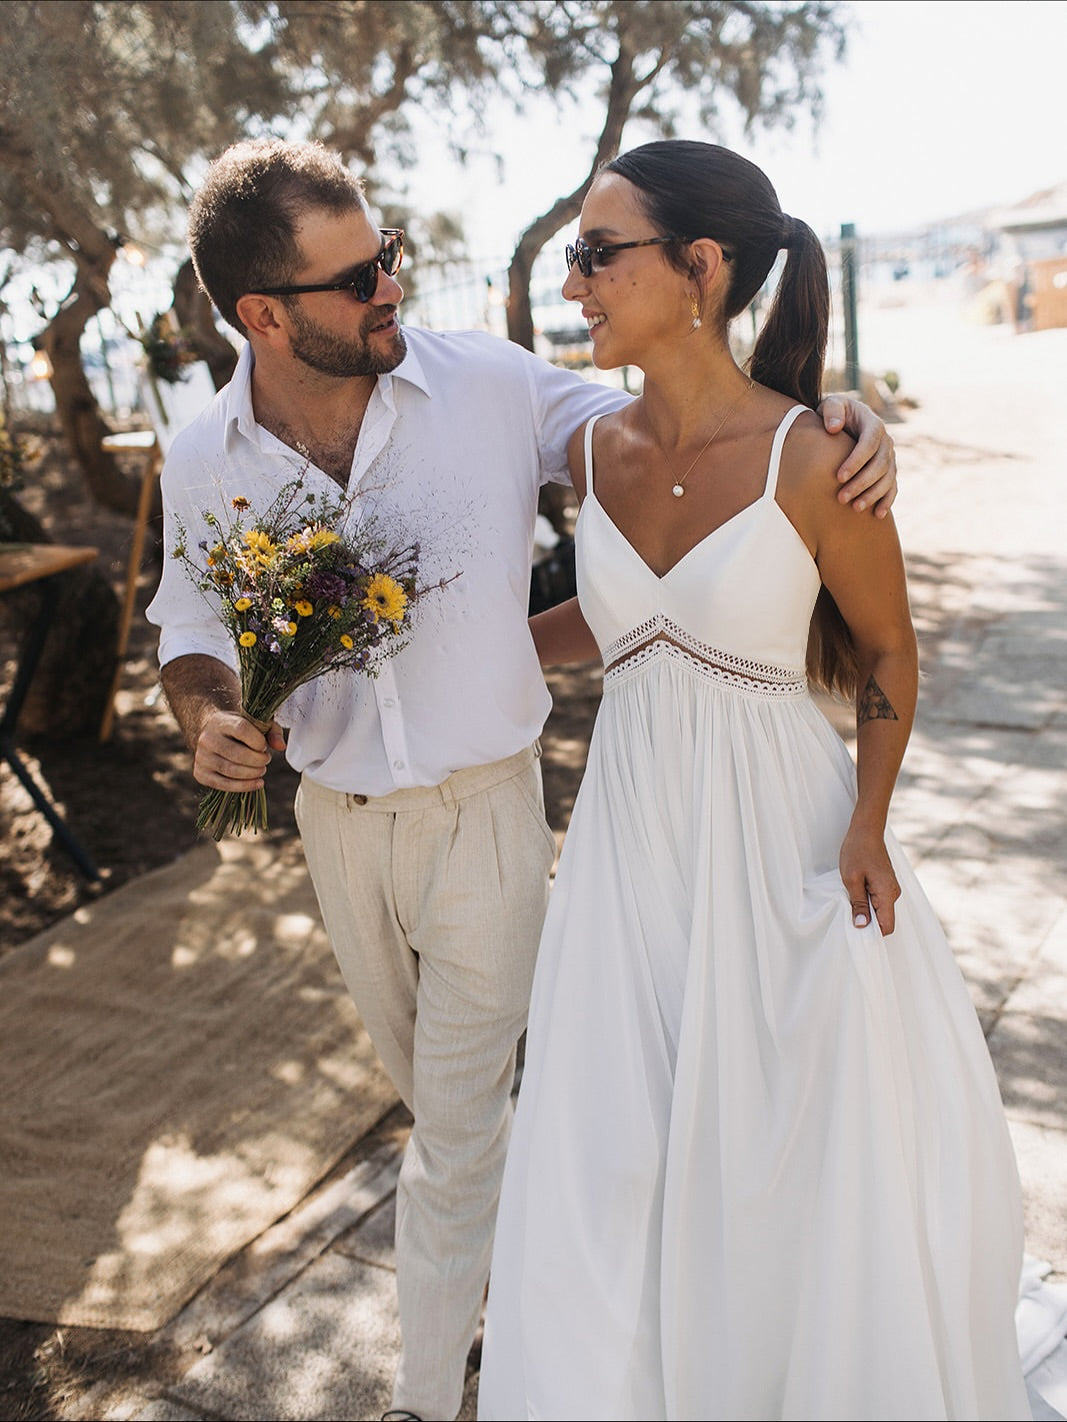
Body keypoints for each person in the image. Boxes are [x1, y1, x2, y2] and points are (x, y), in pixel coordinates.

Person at [145, 138, 898, 1422]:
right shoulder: (203, 457)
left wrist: (834, 416)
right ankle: (543, 1317)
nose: (390, 287)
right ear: (262, 315)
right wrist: (209, 715)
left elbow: (675, 439)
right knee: (436, 1102)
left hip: (492, 815)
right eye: (354, 280)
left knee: (455, 1129)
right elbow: (188, 631)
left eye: (387, 256)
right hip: (336, 829)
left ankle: (428, 1397)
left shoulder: (493, 387)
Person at [477, 141, 1028, 1420]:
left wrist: (872, 821)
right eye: (573, 255)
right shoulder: (590, 451)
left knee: (783, 1139)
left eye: (595, 254)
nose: (575, 283)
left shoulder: (816, 457)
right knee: (616, 1140)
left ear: (700, 268)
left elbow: (887, 647)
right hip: (625, 834)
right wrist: (442, 660)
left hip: (780, 829)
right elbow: (612, 622)